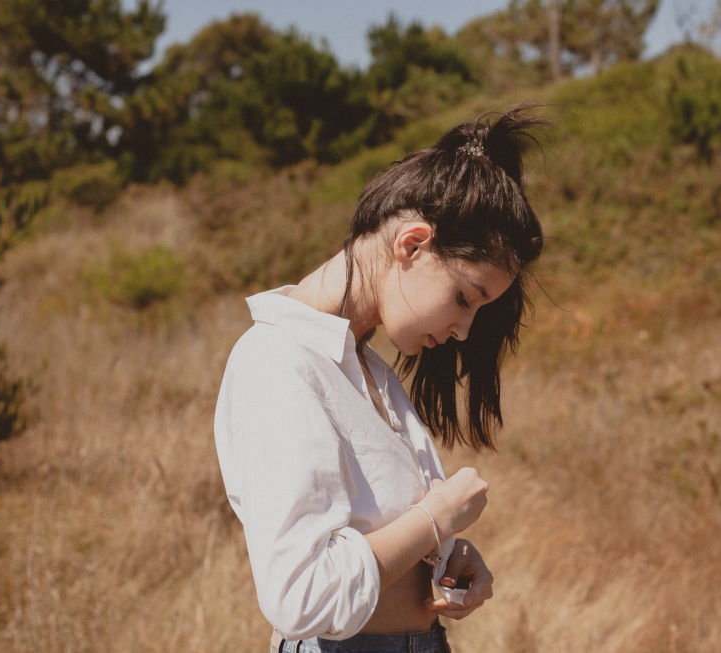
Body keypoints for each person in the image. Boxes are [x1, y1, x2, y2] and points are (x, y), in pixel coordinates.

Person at [214, 105, 546, 653]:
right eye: (465, 298)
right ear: (411, 245)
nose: (463, 330)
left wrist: (444, 556)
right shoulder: (278, 360)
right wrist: (436, 518)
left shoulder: (370, 371)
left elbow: (376, 536)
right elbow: (301, 596)